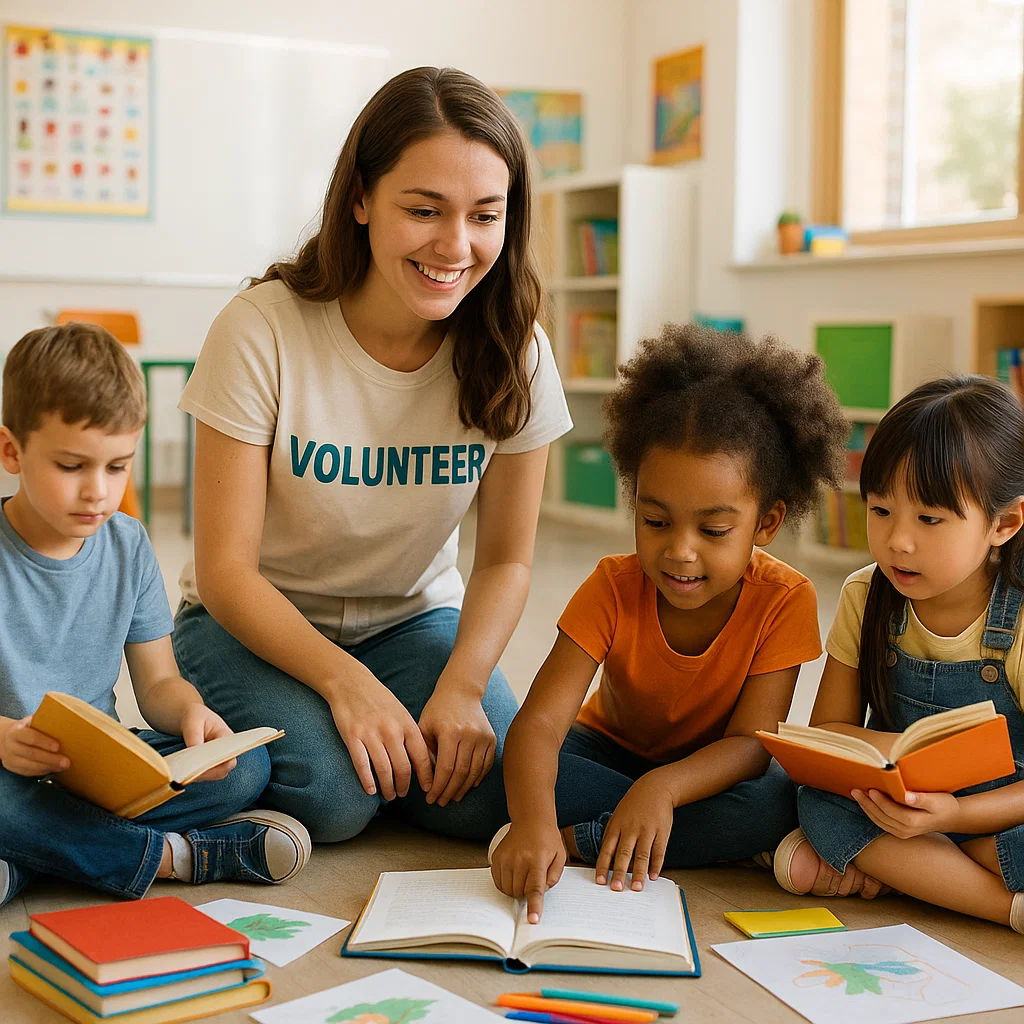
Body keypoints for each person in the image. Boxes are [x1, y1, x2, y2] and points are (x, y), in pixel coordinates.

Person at [171, 66, 571, 845]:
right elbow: (226, 572)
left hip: (414, 623)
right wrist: (345, 684)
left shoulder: (515, 347)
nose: (455, 246)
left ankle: (394, 751)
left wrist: (460, 686)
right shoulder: (261, 330)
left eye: (484, 215)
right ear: (360, 200)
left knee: (496, 786)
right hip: (254, 622)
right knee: (333, 794)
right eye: (423, 210)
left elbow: (505, 563)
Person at [489, 324, 849, 921]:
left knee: (780, 802)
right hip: (606, 752)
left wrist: (662, 790)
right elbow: (540, 725)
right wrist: (531, 821)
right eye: (656, 521)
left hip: (711, 774)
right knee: (507, 773)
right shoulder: (613, 584)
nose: (680, 552)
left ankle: (587, 839)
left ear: (766, 523)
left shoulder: (787, 599)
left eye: (712, 531)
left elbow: (749, 747)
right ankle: (651, 837)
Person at [0, 324, 310, 909]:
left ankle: (29, 860)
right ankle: (175, 858)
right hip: (7, 769)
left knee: (246, 768)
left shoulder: (128, 544)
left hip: (96, 775)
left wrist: (195, 716)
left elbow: (159, 683)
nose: (98, 492)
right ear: (12, 451)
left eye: (117, 467)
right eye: (72, 466)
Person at [772, 375, 1024, 936]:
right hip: (897, 803)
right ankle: (1004, 905)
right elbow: (828, 733)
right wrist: (900, 767)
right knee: (818, 802)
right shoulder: (867, 595)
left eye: (929, 520)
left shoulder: (1020, 616)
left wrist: (957, 813)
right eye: (881, 510)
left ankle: (912, 874)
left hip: (998, 810)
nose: (897, 541)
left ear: (1003, 524)